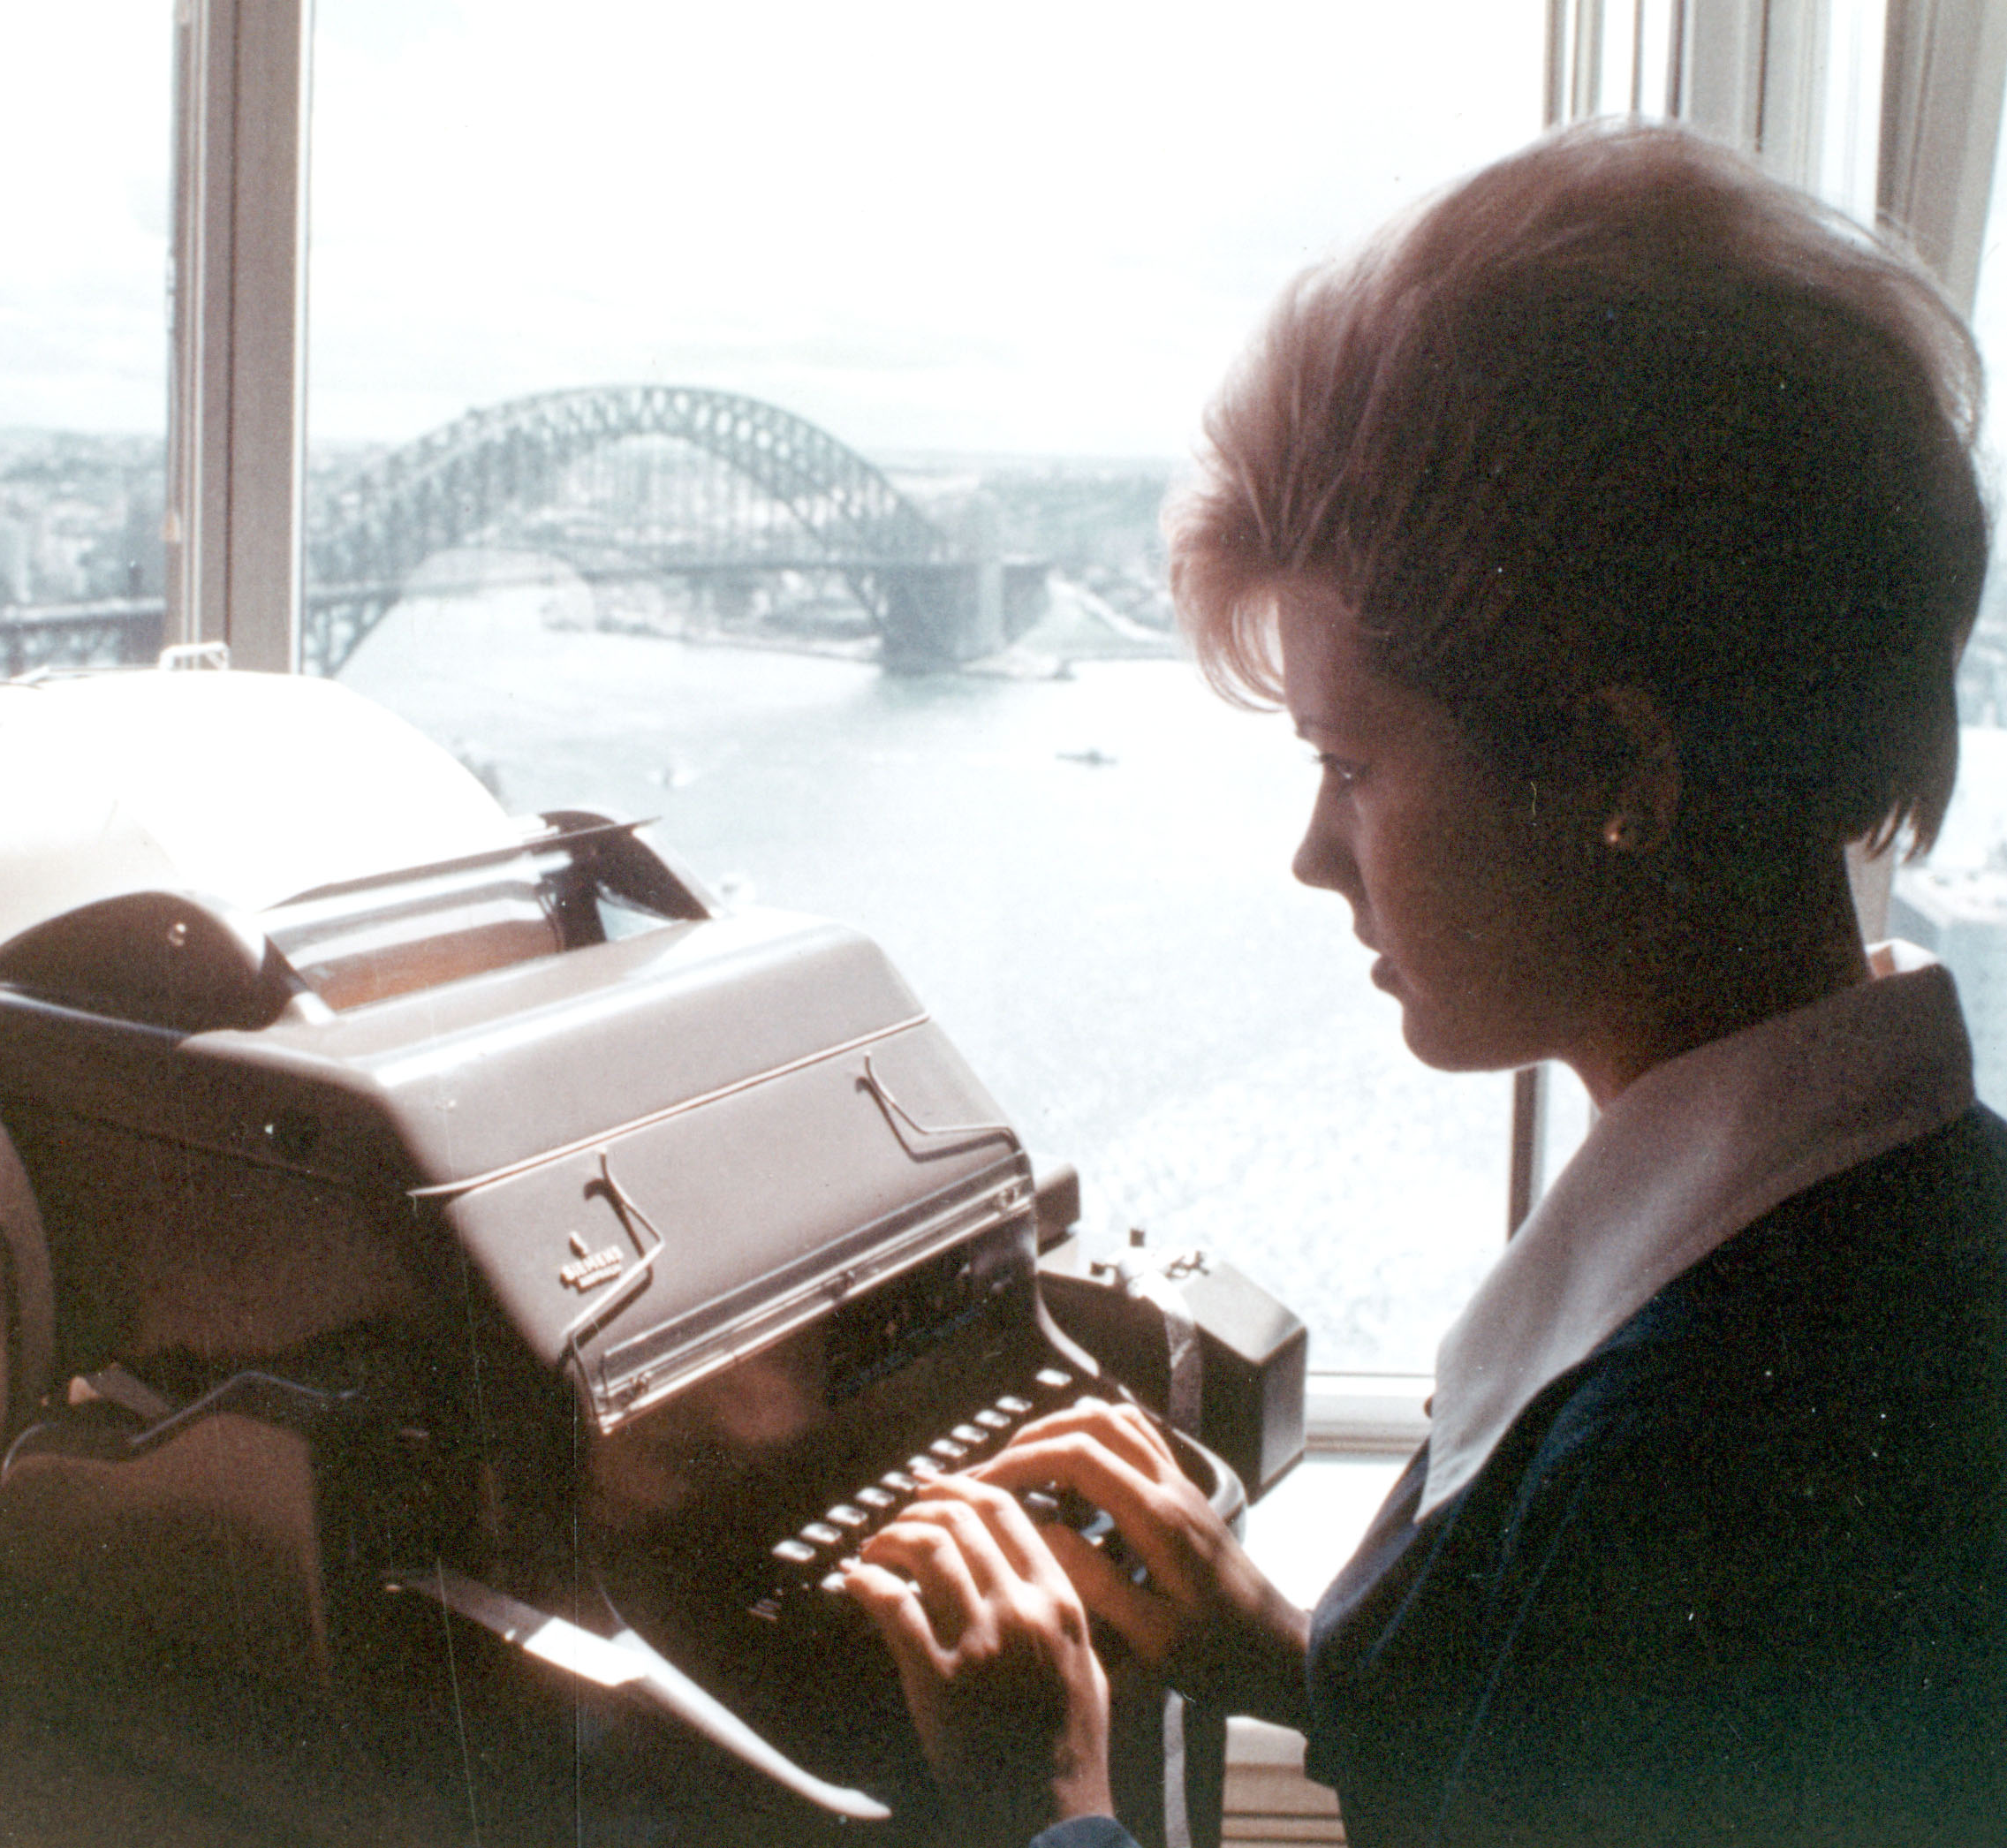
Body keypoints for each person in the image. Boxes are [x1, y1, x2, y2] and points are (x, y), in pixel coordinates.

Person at [844, 120, 2007, 1846]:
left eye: (1352, 761)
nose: (1318, 853)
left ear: (1623, 770)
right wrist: (1297, 1652)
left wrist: (1052, 1806)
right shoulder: (1919, 1226)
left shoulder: (1680, 1462)